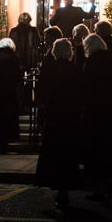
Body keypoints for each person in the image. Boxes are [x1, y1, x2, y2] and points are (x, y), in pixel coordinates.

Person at [35, 38, 82, 209]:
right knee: (67, 151)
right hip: (69, 116)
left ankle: (54, 182)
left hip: (54, 115)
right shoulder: (74, 70)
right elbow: (79, 92)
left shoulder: (50, 69)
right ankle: (65, 187)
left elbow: (41, 90)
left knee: (53, 149)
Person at [80, 33, 112, 202]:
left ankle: (99, 188)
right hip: (110, 111)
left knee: (96, 151)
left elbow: (87, 88)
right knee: (108, 149)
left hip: (95, 112)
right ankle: (110, 185)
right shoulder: (110, 61)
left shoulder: (92, 63)